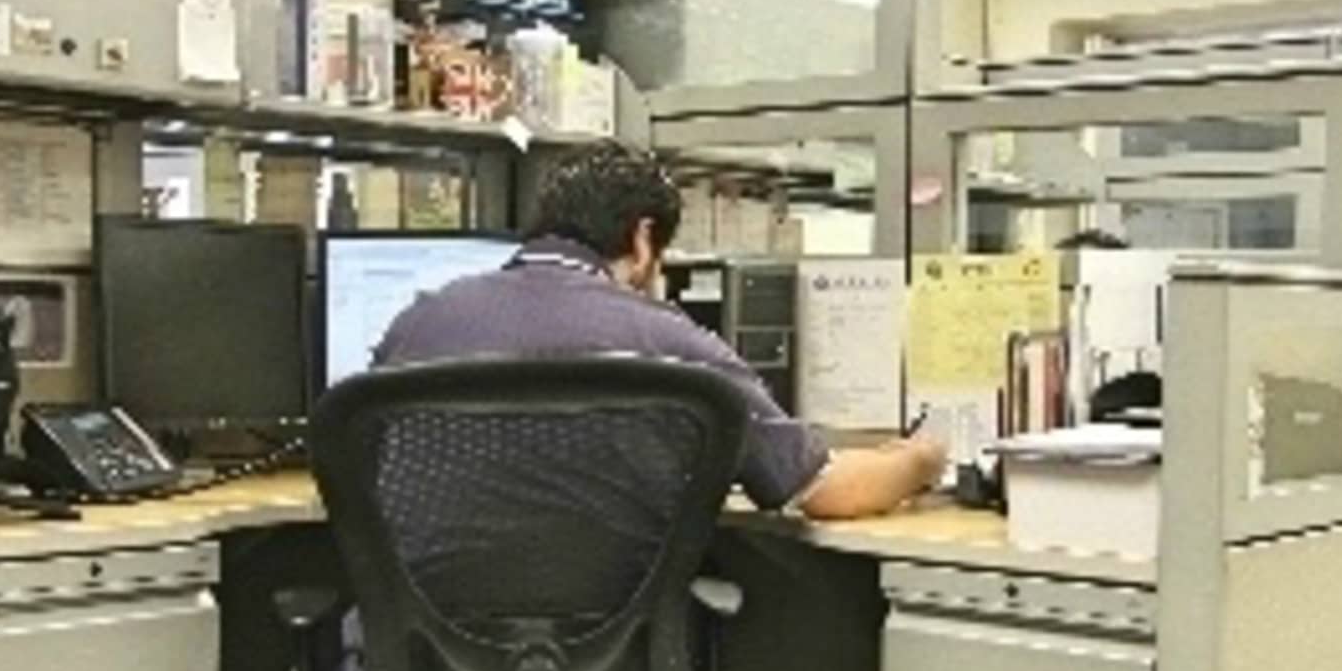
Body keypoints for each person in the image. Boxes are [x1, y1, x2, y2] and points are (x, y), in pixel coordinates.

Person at [372, 145, 947, 521]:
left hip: (414, 670)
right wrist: (921, 459)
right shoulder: (670, 344)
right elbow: (825, 491)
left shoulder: (418, 322)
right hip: (605, 667)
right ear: (644, 239)